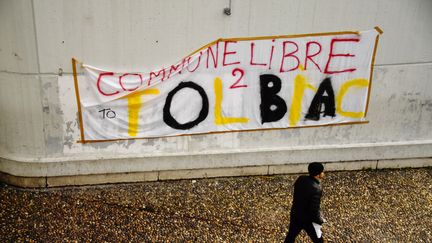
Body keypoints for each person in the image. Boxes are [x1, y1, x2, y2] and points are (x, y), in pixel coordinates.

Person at [284, 162, 325, 243]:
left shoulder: (301, 179)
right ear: (318, 174)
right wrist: (320, 221)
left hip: (296, 214)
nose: (323, 173)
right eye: (322, 172)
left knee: (291, 235)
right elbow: (314, 210)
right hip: (307, 220)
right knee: (318, 240)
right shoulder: (317, 189)